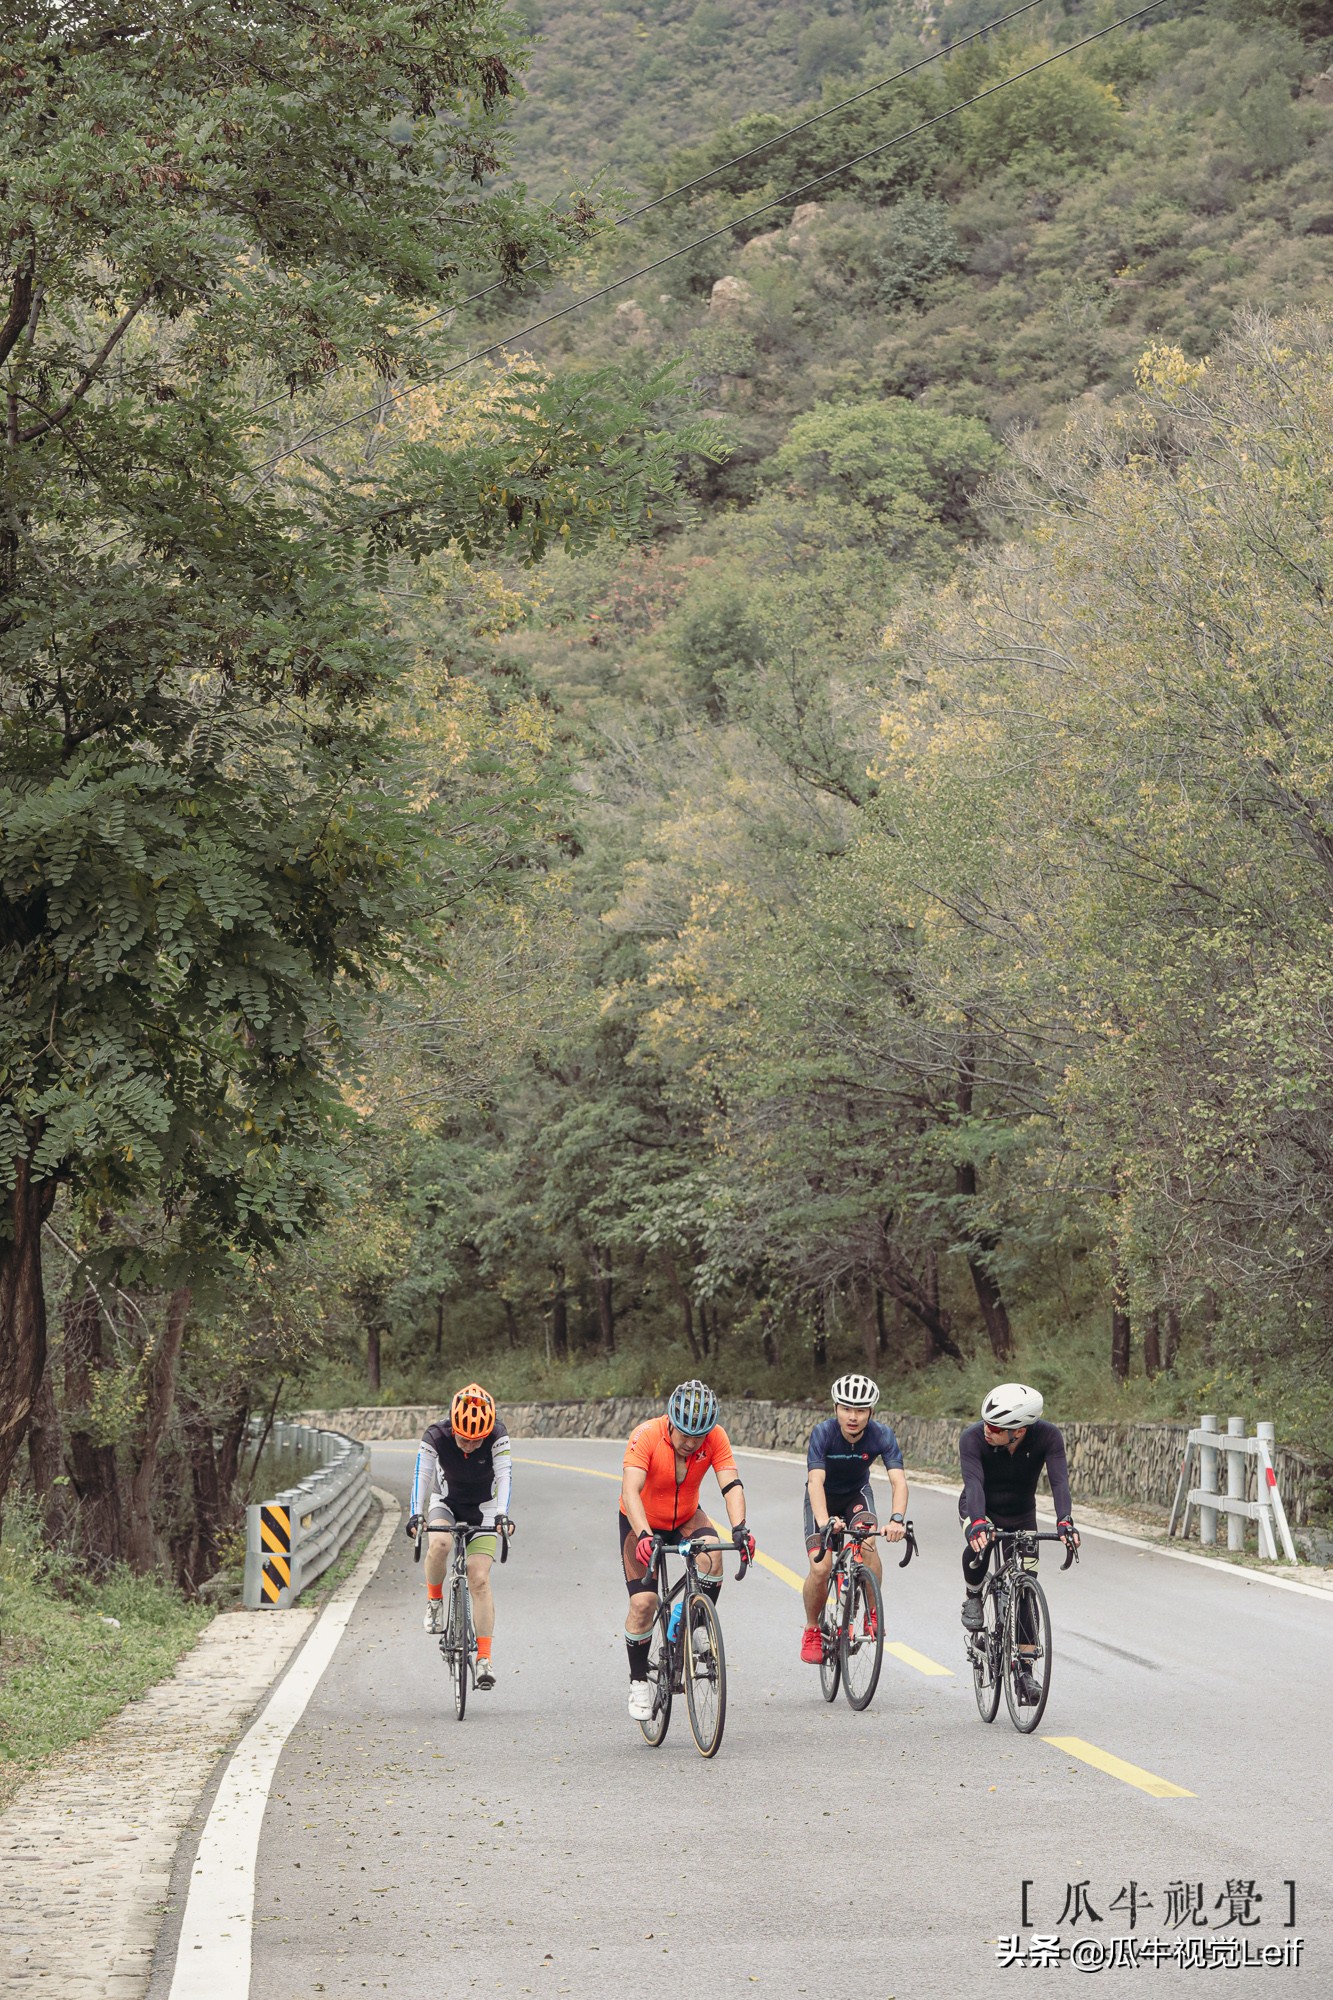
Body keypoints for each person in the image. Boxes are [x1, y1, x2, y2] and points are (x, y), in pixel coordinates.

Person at [619, 1379, 754, 1723]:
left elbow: (731, 1484)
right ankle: (638, 1682)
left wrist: (740, 1528)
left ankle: (691, 1624)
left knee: (714, 1555)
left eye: (699, 1437)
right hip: (641, 1520)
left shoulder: (715, 1438)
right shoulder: (646, 1435)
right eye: (684, 1435)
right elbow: (631, 1491)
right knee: (644, 1603)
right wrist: (645, 1534)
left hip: (685, 1516)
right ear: (671, 1422)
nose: (691, 1443)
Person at [958, 1382, 1080, 1702]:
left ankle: (1025, 1674)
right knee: (980, 1546)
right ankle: (973, 1594)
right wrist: (978, 1524)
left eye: (996, 1427)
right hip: (979, 1505)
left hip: (1022, 1514)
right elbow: (973, 1483)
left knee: (1026, 1588)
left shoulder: (1049, 1437)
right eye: (986, 1422)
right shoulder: (972, 1438)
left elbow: (1059, 1482)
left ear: (1020, 1430)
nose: (987, 1430)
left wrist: (1065, 1521)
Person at [407, 1383, 513, 1691]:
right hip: (447, 1503)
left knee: (478, 1578)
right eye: (464, 1439)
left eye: (476, 1440)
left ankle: (484, 1658)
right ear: (453, 1428)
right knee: (440, 1543)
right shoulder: (435, 1436)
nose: (469, 1445)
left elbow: (505, 1476)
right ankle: (435, 1600)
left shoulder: (497, 1435)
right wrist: (416, 1514)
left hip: (485, 1507)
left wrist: (503, 1515)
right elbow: (421, 1476)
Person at [799, 1373, 908, 1663]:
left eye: (860, 1410)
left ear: (871, 1412)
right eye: (846, 1408)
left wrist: (897, 1519)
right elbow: (815, 1483)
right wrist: (824, 1522)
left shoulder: (882, 1434)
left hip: (856, 1495)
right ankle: (811, 1629)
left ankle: (872, 1612)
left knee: (868, 1545)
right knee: (821, 1569)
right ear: (835, 1408)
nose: (853, 1417)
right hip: (822, 1498)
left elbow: (898, 1481)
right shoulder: (823, 1433)